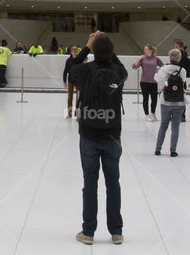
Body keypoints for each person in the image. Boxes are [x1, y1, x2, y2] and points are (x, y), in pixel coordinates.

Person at [70, 31, 128, 245]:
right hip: (112, 134)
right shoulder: (119, 72)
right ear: (112, 52)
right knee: (113, 182)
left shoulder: (85, 70)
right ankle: (116, 231)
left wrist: (87, 46)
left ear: (93, 51)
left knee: (90, 183)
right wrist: (106, 48)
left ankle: (88, 232)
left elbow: (69, 70)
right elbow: (120, 65)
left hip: (89, 134)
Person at [155, 49, 187, 156]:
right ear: (179, 58)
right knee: (175, 126)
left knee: (163, 125)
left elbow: (156, 79)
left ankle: (158, 149)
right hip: (179, 102)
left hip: (166, 101)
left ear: (169, 58)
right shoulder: (183, 71)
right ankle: (173, 150)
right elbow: (183, 81)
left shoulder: (165, 69)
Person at [132, 45, 164, 121]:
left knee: (154, 98)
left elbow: (163, 66)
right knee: (145, 98)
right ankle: (146, 114)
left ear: (150, 50)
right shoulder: (143, 59)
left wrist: (159, 75)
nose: (145, 51)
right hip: (144, 81)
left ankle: (153, 113)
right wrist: (139, 58)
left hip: (153, 82)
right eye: (144, 49)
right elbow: (134, 67)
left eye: (146, 49)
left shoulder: (156, 59)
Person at [63, 46, 81, 118]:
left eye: (76, 51)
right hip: (70, 80)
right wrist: (64, 81)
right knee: (70, 97)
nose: (75, 53)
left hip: (78, 81)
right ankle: (69, 113)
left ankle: (77, 112)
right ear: (71, 52)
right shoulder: (68, 60)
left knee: (78, 97)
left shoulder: (79, 60)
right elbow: (65, 71)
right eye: (74, 52)